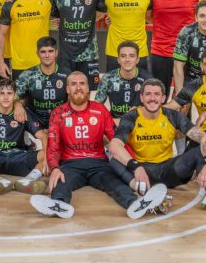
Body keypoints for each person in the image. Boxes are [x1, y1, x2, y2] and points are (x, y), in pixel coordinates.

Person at [32, 72, 167, 219]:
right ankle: (58, 204)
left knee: (115, 183)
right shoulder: (58, 113)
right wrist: (55, 168)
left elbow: (117, 141)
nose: (78, 88)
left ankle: (135, 203)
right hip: (70, 164)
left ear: (88, 88)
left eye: (82, 84)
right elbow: (53, 146)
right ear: (67, 89)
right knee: (61, 180)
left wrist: (134, 165)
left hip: (99, 164)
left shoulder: (100, 110)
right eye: (74, 84)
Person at [108, 78, 206, 212]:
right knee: (114, 161)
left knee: (201, 150)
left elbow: (204, 138)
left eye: (156, 94)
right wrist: (136, 167)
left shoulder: (172, 115)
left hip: (169, 170)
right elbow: (114, 146)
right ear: (141, 97)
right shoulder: (131, 117)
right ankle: (146, 195)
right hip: (143, 171)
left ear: (163, 98)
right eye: (148, 94)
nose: (152, 98)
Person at [43, 0, 105, 88]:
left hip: (89, 53)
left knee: (87, 89)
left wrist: (90, 19)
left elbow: (104, 11)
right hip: (66, 54)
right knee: (66, 90)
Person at [149, 0, 200, 95]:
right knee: (158, 97)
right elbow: (147, 16)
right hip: (160, 51)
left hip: (186, 51)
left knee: (184, 97)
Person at [0, 0, 53, 82]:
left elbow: (63, 16)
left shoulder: (47, 1)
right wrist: (0, 62)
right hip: (19, 65)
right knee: (20, 101)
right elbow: (2, 34)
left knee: (41, 100)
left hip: (43, 64)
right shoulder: (10, 3)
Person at [103, 0, 151, 73]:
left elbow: (150, 17)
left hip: (140, 52)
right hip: (115, 53)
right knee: (113, 90)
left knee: (140, 90)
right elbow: (94, 15)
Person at [95, 41, 146, 120]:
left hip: (139, 123)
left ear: (137, 60)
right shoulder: (108, 78)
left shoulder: (147, 79)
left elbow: (154, 108)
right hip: (114, 121)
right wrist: (106, 119)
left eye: (131, 56)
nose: (127, 59)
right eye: (123, 56)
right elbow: (96, 106)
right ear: (118, 60)